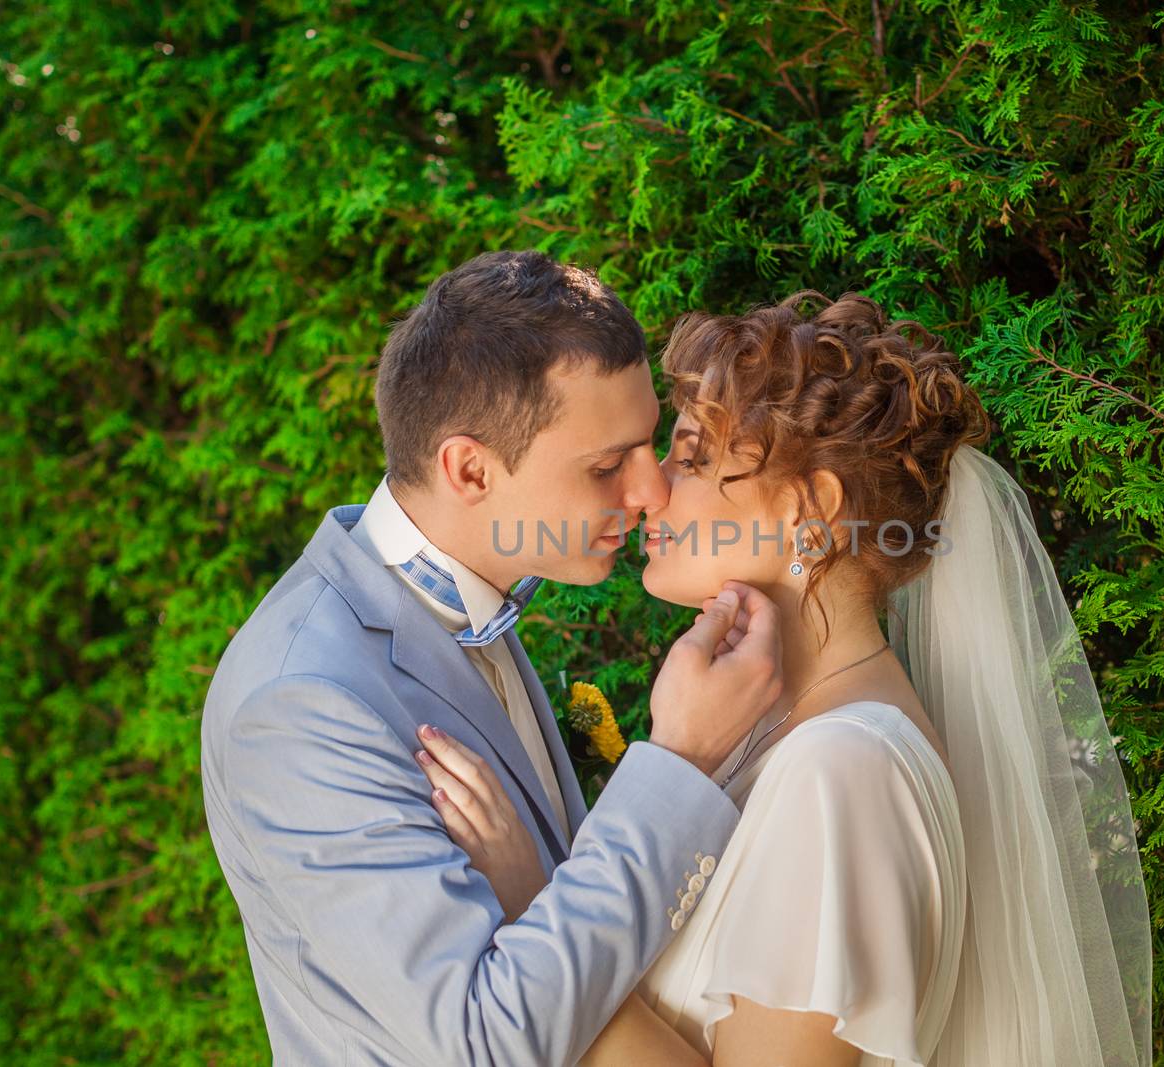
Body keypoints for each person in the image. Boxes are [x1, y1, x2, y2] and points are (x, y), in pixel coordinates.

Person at [418, 291, 1154, 1066]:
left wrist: (538, 907)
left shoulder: (842, 772)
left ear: (813, 510)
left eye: (695, 457)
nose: (654, 488)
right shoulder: (781, 737)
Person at [199, 250, 785, 1066]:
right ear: (469, 468)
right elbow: (481, 1044)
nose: (652, 491)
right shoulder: (301, 699)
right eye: (608, 464)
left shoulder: (468, 604)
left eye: (648, 446)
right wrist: (679, 758)